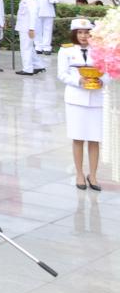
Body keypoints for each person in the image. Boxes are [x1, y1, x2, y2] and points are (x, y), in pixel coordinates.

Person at [58, 18, 107, 190]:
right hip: (76, 99)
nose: (83, 36)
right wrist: (78, 81)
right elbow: (62, 74)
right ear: (75, 34)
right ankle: (79, 173)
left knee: (94, 139)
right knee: (78, 138)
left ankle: (93, 175)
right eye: (80, 32)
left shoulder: (100, 50)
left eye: (87, 33)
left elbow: (109, 71)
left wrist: (103, 81)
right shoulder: (66, 50)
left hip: (96, 99)